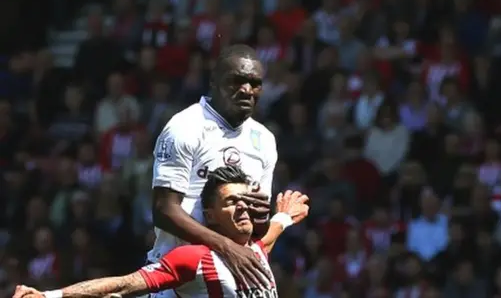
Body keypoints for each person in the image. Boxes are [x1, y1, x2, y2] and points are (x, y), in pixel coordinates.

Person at [12, 166, 309, 298]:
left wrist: (284, 216)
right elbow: (123, 285)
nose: (243, 208)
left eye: (246, 200)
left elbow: (269, 236)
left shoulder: (256, 250)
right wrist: (51, 296)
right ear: (210, 216)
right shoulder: (195, 259)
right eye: (232, 202)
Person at [150, 44, 278, 289]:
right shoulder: (185, 127)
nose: (246, 90)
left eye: (255, 83)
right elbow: (163, 209)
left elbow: (255, 229)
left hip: (230, 279)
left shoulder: (264, 140)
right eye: (236, 80)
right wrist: (225, 246)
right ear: (214, 81)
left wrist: (264, 217)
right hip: (178, 280)